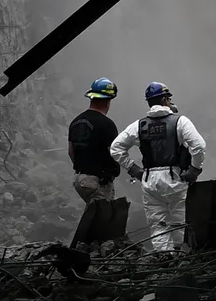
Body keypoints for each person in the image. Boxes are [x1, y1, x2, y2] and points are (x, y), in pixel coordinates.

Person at [110, 83, 206, 253]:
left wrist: (134, 169)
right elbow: (198, 145)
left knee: (158, 224)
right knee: (180, 221)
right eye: (169, 98)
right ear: (164, 99)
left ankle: (164, 257)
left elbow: (116, 148)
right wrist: (194, 169)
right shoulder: (180, 122)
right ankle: (181, 257)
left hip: (149, 180)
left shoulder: (139, 126)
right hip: (176, 177)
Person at [69, 78, 121, 203]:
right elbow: (115, 154)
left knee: (93, 214)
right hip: (97, 182)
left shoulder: (75, 121)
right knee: (104, 218)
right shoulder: (107, 124)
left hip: (79, 180)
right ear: (108, 101)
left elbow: (71, 152)